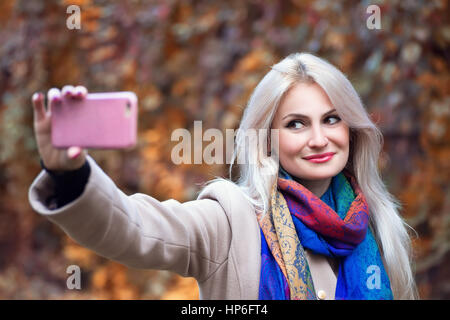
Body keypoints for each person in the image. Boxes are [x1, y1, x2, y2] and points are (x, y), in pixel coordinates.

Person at [28, 52, 418, 300]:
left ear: (351, 128)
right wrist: (68, 172)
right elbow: (132, 229)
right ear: (265, 139)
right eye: (296, 124)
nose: (319, 139)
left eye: (331, 119)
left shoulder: (378, 229)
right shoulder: (231, 221)